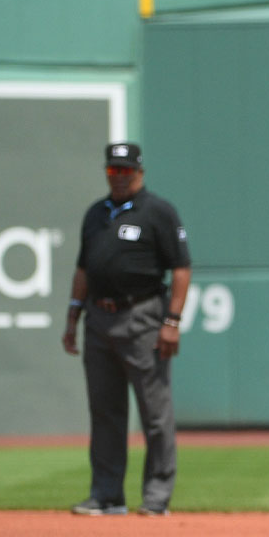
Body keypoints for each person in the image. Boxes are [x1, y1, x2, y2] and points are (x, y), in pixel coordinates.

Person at [62, 142, 191, 517]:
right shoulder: (95, 214)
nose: (118, 177)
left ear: (140, 172)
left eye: (125, 170)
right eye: (112, 170)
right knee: (104, 411)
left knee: (154, 413)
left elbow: (181, 268)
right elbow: (83, 270)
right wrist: (72, 318)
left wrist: (171, 322)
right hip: (98, 320)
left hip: (143, 317)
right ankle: (106, 495)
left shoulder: (158, 212)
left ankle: (156, 496)